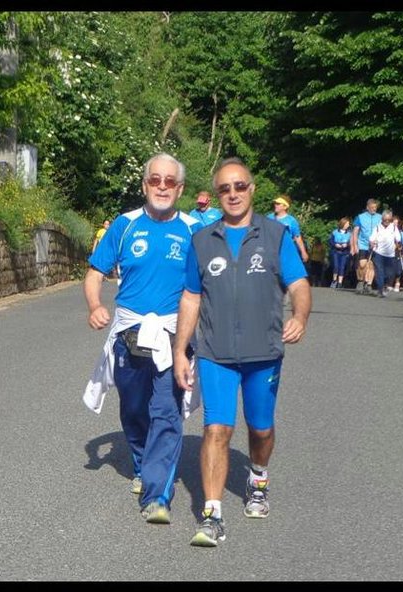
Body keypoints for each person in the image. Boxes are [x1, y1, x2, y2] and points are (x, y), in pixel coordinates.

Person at [172, 157, 311, 547]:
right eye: (224, 189)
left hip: (263, 352)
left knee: (260, 428)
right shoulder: (202, 240)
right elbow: (191, 297)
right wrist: (180, 349)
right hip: (215, 352)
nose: (232, 194)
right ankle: (212, 514)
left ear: (252, 189)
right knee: (216, 429)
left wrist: (300, 316)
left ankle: (258, 477)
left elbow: (299, 284)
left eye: (239, 186)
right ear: (217, 195)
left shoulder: (276, 235)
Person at [82, 152, 201, 526]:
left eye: (170, 181)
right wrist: (94, 305)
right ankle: (141, 463)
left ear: (180, 188)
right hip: (128, 334)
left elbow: (211, 281)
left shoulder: (195, 229)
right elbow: (95, 273)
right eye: (155, 180)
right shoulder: (125, 224)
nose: (162, 186)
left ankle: (157, 495)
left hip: (173, 337)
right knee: (133, 409)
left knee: (165, 412)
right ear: (144, 184)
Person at [350, 198, 382, 294]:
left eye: (375, 207)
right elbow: (355, 232)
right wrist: (354, 245)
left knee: (371, 265)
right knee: (362, 264)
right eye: (372, 207)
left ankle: (368, 284)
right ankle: (360, 281)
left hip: (375, 245)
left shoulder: (380, 217)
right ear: (367, 207)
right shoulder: (360, 217)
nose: (374, 209)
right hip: (363, 244)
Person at [369, 209, 402, 298]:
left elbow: (398, 239)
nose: (387, 221)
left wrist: (399, 245)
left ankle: (384, 286)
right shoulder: (377, 227)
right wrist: (372, 243)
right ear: (382, 219)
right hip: (378, 253)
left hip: (390, 254)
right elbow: (371, 238)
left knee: (389, 274)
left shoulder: (394, 227)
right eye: (385, 219)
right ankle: (380, 290)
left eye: (389, 220)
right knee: (379, 272)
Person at [268, 194, 309, 264]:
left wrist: (303, 252)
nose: (275, 205)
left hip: (285, 251)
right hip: (270, 251)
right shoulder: (269, 217)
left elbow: (297, 237)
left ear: (285, 206)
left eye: (278, 204)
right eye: (275, 203)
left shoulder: (291, 221)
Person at [328, 217, 352, 289]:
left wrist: (347, 245)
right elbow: (330, 241)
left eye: (348, 224)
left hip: (344, 252)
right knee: (336, 266)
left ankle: (340, 282)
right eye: (347, 223)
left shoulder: (349, 234)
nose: (348, 225)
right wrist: (335, 244)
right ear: (343, 223)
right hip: (336, 251)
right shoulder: (335, 232)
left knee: (342, 267)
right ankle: (334, 280)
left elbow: (351, 242)